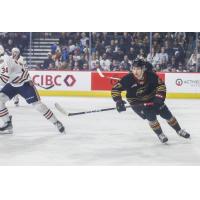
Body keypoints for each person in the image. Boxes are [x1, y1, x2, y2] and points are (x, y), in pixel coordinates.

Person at [111, 58, 190, 143]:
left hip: (153, 99)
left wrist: (159, 97)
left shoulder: (151, 76)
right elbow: (115, 89)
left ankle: (179, 130)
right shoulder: (128, 79)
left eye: (138, 69)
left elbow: (161, 86)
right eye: (133, 69)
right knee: (151, 118)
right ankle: (160, 134)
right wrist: (118, 101)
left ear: (143, 69)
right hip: (138, 103)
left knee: (167, 115)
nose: (135, 71)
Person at [0, 45, 65, 134]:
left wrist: (28, 78)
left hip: (24, 83)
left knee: (38, 105)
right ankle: (7, 123)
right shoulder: (5, 58)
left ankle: (56, 122)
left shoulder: (4, 61)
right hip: (12, 83)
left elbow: (3, 79)